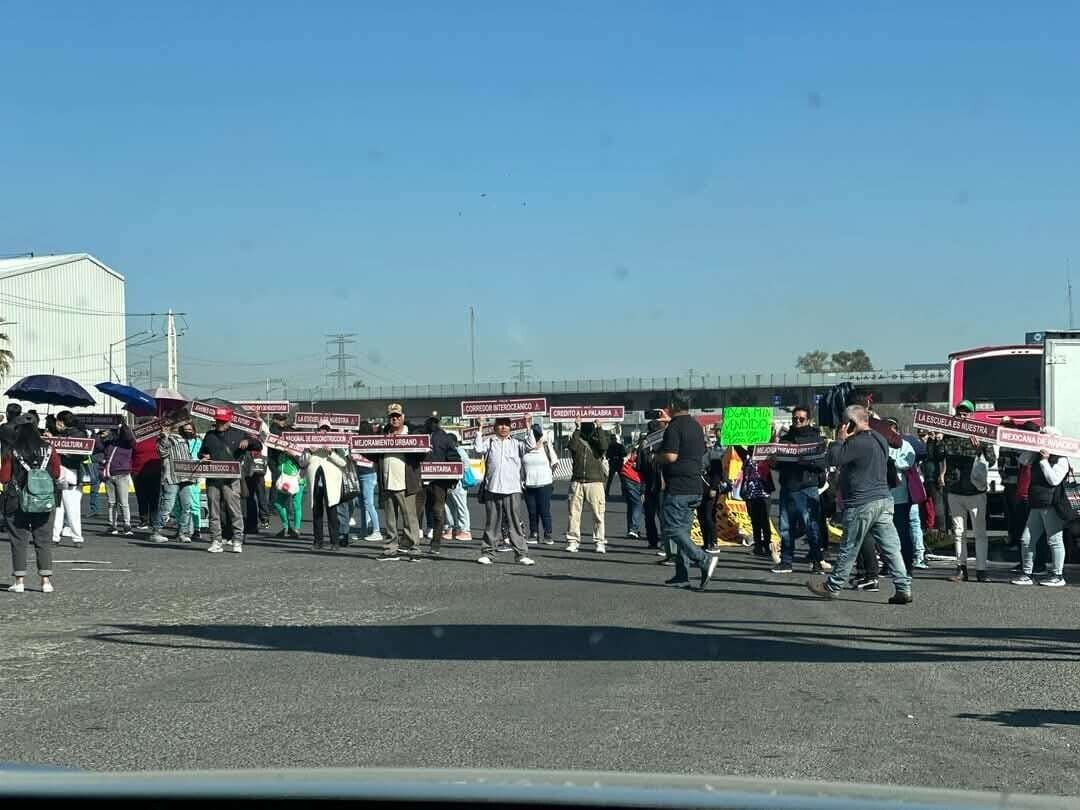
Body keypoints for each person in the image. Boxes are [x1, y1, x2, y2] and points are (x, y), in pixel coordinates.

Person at [807, 405, 913, 604]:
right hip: (883, 500)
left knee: (849, 547)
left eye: (844, 423)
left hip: (861, 503)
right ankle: (903, 587)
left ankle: (833, 586)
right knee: (891, 548)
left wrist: (840, 439)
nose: (842, 426)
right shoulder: (879, 438)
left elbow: (833, 459)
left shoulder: (858, 443)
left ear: (851, 423)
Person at [655, 390, 720, 590]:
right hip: (695, 485)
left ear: (673, 405)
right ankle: (681, 575)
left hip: (678, 487)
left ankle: (703, 559)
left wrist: (655, 457)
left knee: (671, 528)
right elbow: (701, 454)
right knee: (683, 531)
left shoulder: (674, 427)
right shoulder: (695, 425)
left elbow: (672, 456)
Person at [940, 400, 997, 583]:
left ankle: (981, 570)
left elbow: (992, 460)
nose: (963, 415)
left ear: (972, 415)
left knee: (980, 532)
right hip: (955, 489)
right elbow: (936, 456)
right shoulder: (949, 433)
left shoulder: (981, 433)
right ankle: (961, 568)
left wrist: (980, 447)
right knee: (958, 532)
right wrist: (936, 440)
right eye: (960, 412)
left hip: (975, 490)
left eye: (966, 413)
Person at [2, 419, 62, 593]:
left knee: (18, 541)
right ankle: (46, 581)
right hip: (44, 500)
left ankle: (19, 581)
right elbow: (57, 473)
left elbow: (4, 478)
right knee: (43, 540)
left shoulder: (12, 450)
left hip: (17, 501)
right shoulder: (50, 448)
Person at [772, 406, 829, 574]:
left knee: (811, 526)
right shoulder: (785, 439)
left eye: (801, 419)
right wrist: (773, 459)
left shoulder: (816, 439)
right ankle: (786, 561)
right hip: (788, 487)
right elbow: (778, 465)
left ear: (809, 420)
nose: (797, 421)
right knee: (785, 526)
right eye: (795, 418)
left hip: (807, 487)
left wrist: (802, 459)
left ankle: (817, 560)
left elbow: (822, 465)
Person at [1011, 428, 1069, 587]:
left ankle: (1058, 575)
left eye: (1044, 438)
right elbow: (1022, 460)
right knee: (1026, 539)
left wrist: (1044, 461)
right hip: (1036, 504)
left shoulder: (1061, 459)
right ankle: (1027, 573)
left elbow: (1053, 480)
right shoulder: (1035, 456)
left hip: (1052, 504)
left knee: (1054, 540)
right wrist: (1033, 448)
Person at [474, 416, 535, 566]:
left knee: (514, 523)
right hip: (493, 488)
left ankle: (521, 554)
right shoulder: (489, 442)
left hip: (512, 488)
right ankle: (488, 553)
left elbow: (531, 445)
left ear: (511, 428)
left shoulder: (516, 444)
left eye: (506, 425)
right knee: (492, 523)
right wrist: (480, 428)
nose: (503, 428)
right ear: (495, 427)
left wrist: (528, 425)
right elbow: (478, 449)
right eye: (500, 425)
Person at [199, 408, 261, 554]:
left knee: (234, 510)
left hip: (231, 478)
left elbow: (259, 445)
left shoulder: (239, 434)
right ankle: (216, 540)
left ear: (229, 420)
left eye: (222, 420)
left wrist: (249, 440)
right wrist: (204, 456)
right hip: (213, 478)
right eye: (217, 420)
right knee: (214, 511)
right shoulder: (210, 435)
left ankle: (238, 539)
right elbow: (201, 451)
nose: (219, 423)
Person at [375, 403, 423, 561]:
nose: (394, 419)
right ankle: (390, 549)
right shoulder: (383, 435)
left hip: (405, 483)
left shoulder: (413, 435)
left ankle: (414, 548)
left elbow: (422, 456)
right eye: (391, 417)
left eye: (397, 416)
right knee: (390, 519)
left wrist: (425, 451)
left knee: (410, 518)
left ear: (403, 417)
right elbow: (374, 455)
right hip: (387, 482)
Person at [416, 416, 460, 555]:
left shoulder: (424, 437)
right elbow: (454, 459)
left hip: (432, 481)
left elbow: (454, 460)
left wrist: (451, 479)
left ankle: (419, 541)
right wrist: (452, 480)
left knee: (423, 511)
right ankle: (433, 544)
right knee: (436, 512)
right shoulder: (444, 438)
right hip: (437, 482)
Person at [565, 418, 610, 553]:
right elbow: (571, 446)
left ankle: (599, 542)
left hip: (595, 482)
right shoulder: (577, 442)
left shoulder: (597, 443)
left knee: (598, 513)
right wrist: (577, 429)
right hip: (577, 481)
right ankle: (573, 541)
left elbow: (604, 446)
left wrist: (599, 428)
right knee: (573, 513)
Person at [149, 417, 196, 544]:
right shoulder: (164, 439)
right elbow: (162, 453)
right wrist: (164, 436)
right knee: (167, 506)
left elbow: (187, 457)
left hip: (185, 477)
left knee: (186, 506)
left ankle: (182, 532)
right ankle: (156, 531)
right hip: (171, 477)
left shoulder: (183, 439)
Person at [50, 411, 89, 547]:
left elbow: (80, 456)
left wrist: (62, 449)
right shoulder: (75, 434)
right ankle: (61, 536)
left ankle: (69, 537)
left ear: (62, 421)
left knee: (64, 508)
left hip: (69, 473)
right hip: (66, 474)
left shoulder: (76, 435)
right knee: (63, 508)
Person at [302, 446, 347, 550]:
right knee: (317, 512)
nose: (323, 432)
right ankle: (318, 541)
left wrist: (331, 452)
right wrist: (309, 451)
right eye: (320, 429)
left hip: (331, 483)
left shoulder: (337, 445)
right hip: (315, 481)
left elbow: (343, 462)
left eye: (325, 429)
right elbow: (302, 462)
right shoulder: (310, 444)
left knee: (332, 513)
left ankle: (335, 542)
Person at [522, 423, 558, 544]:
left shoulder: (546, 447)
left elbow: (555, 462)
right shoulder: (524, 448)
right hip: (529, 485)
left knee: (544, 510)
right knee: (532, 511)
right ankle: (534, 533)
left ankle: (548, 534)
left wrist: (548, 475)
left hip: (545, 485)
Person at [98, 423, 135, 536]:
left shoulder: (127, 443)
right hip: (110, 475)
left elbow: (129, 435)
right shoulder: (108, 443)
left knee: (123, 502)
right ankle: (112, 525)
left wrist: (123, 424)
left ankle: (127, 525)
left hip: (122, 475)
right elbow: (96, 445)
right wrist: (99, 433)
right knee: (111, 502)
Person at [736, 446, 774, 558]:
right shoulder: (747, 457)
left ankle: (767, 546)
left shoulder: (766, 457)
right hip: (750, 495)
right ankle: (758, 546)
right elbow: (737, 446)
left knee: (765, 521)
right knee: (755, 521)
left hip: (764, 495)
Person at [637, 421, 665, 553]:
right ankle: (663, 541)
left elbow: (640, 468)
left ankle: (654, 540)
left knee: (650, 515)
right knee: (661, 515)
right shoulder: (665, 443)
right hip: (659, 485)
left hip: (652, 484)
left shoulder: (644, 445)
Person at [699, 424, 725, 552]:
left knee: (709, 516)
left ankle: (713, 542)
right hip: (698, 490)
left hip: (710, 490)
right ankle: (706, 542)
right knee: (701, 517)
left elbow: (717, 472)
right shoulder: (695, 456)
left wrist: (714, 488)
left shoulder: (711, 454)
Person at [354, 420, 381, 542]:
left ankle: (376, 530)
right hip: (364, 473)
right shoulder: (371, 442)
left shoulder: (364, 442)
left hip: (367, 474)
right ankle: (364, 530)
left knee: (368, 504)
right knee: (363, 504)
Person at [131, 432, 161, 531]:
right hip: (138, 472)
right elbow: (130, 454)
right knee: (141, 497)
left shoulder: (158, 438)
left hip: (155, 471)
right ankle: (144, 520)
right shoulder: (135, 439)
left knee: (155, 498)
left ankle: (154, 521)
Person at [444, 441, 473, 542]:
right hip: (448, 482)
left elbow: (466, 465)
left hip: (459, 483)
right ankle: (452, 528)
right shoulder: (447, 451)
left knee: (461, 506)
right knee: (448, 506)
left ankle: (465, 530)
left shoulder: (460, 451)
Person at [272, 453, 304, 540]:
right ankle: (287, 527)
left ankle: (297, 529)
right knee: (278, 503)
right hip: (284, 481)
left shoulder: (302, 450)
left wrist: (293, 454)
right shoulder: (282, 453)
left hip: (298, 480)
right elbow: (279, 465)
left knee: (296, 504)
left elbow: (304, 463)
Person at [618, 442, 643, 541]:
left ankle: (631, 529)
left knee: (631, 504)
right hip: (633, 477)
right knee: (638, 504)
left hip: (626, 474)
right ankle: (633, 529)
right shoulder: (644, 449)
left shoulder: (637, 448)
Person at [605, 432, 626, 497]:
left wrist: (618, 455)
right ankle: (607, 492)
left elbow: (624, 454)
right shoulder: (610, 447)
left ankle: (624, 492)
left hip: (618, 463)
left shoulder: (619, 446)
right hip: (614, 463)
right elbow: (607, 456)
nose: (613, 440)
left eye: (613, 439)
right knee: (610, 480)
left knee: (622, 480)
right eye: (612, 439)